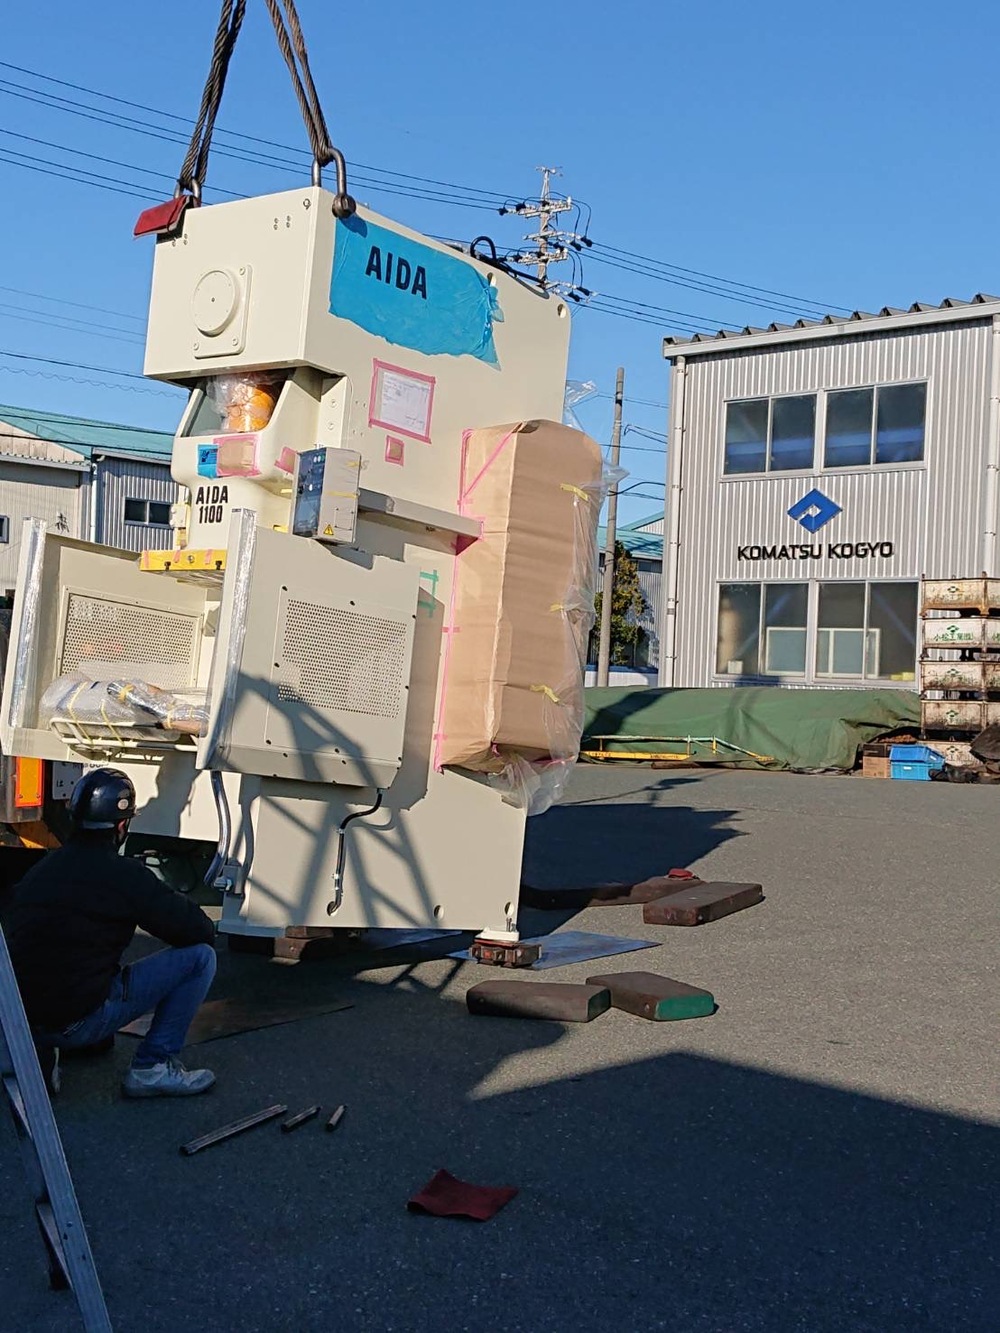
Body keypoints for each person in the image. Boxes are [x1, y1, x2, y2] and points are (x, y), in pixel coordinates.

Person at [5, 767, 218, 1098]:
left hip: (17, 1021)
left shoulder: (41, 869)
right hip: (75, 1021)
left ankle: (38, 1050)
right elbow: (198, 931)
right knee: (201, 959)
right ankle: (152, 1067)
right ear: (121, 825)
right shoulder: (125, 876)